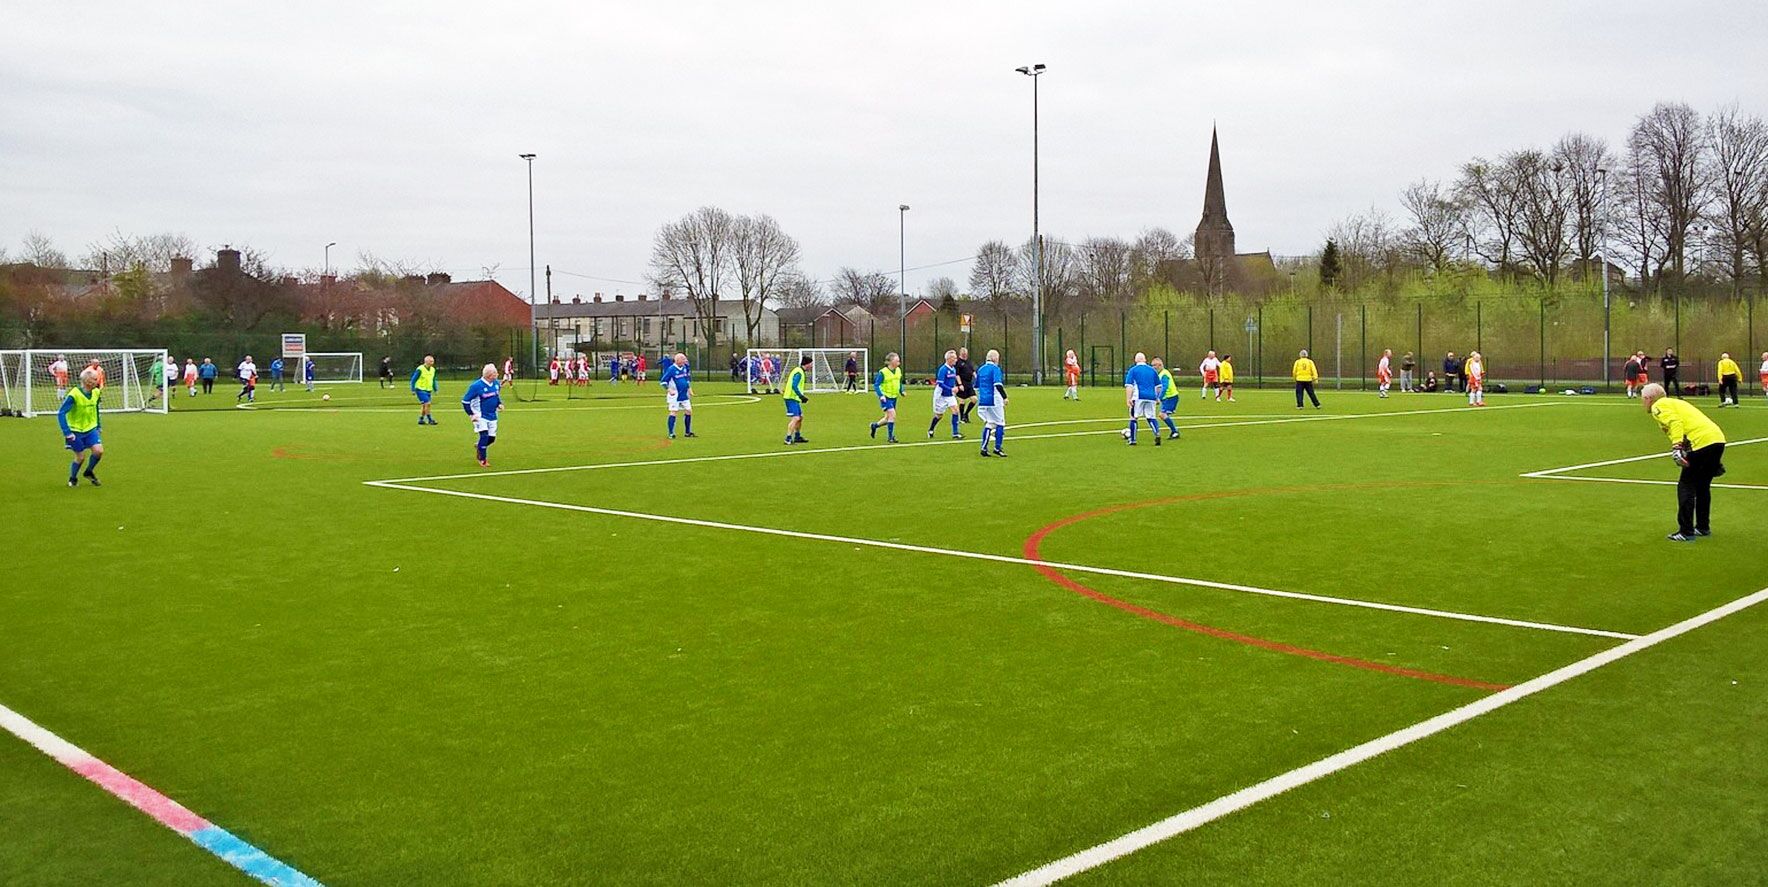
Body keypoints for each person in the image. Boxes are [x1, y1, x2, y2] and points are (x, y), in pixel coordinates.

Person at [1642, 383, 1725, 541]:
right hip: (1717, 439)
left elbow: (1675, 423)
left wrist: (1677, 447)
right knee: (1702, 486)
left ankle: (1686, 531)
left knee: (1686, 485)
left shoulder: (1658, 406)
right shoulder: (1676, 403)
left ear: (1649, 398)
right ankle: (1702, 526)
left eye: (1643, 399)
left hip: (1700, 442)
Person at [58, 367, 105, 488]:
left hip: (91, 429)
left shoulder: (96, 392)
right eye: (95, 379)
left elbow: (95, 408)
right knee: (80, 457)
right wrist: (67, 432)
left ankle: (88, 472)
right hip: (75, 431)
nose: (97, 381)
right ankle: (73, 478)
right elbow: (61, 413)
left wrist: (98, 425)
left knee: (99, 451)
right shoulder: (74, 394)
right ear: (88, 381)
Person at [461, 363, 503, 468]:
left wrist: (499, 404)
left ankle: (480, 446)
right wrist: (471, 414)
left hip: (492, 415)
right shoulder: (476, 386)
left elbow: (496, 395)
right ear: (489, 375)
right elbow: (465, 401)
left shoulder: (496, 384)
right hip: (480, 415)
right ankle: (482, 459)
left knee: (491, 438)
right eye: (495, 373)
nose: (497, 374)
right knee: (484, 436)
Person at [1124, 352, 1163, 446]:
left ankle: (1133, 440)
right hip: (1151, 397)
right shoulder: (1152, 370)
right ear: (1145, 360)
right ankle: (1157, 433)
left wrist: (1128, 399)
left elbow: (1129, 386)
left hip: (1138, 397)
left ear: (1135, 360)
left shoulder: (1133, 370)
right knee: (1151, 417)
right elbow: (1159, 386)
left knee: (1133, 417)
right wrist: (1157, 397)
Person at [975, 349, 1007, 457]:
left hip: (983, 400)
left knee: (990, 423)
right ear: (994, 358)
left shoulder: (981, 369)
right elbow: (998, 384)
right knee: (1000, 423)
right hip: (994, 399)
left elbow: (976, 386)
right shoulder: (995, 369)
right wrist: (1004, 397)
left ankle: (984, 447)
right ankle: (997, 448)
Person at [870, 352, 904, 443]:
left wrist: (901, 391)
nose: (899, 363)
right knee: (892, 415)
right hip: (886, 397)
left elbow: (899, 382)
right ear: (891, 362)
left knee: (887, 418)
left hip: (894, 397)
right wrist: (881, 395)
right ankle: (890, 437)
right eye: (897, 361)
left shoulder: (898, 370)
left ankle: (874, 426)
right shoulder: (883, 372)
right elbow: (876, 385)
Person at [929, 350, 963, 439]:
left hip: (950, 395)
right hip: (941, 395)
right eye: (954, 358)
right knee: (939, 415)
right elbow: (940, 384)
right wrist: (951, 389)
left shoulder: (953, 369)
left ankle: (955, 433)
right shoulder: (943, 369)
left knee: (956, 411)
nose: (956, 360)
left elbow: (951, 382)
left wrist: (955, 387)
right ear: (949, 359)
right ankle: (931, 429)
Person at [661, 352, 695, 439]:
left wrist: (689, 389)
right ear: (677, 360)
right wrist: (669, 390)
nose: (685, 360)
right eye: (683, 359)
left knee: (689, 411)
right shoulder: (671, 369)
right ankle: (671, 433)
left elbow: (686, 379)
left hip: (684, 394)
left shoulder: (684, 368)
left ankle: (687, 432)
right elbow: (663, 381)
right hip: (675, 395)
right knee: (674, 412)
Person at [782, 354, 811, 445]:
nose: (811, 366)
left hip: (794, 398)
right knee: (796, 418)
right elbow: (794, 385)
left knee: (800, 417)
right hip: (791, 397)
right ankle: (788, 438)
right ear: (807, 364)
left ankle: (797, 436)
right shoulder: (799, 372)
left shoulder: (799, 371)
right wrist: (801, 396)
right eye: (811, 364)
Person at [1153, 357, 1180, 440]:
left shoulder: (1164, 374)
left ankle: (1175, 431)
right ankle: (1174, 431)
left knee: (1162, 414)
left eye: (1154, 365)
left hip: (1170, 397)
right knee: (1164, 415)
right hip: (1167, 398)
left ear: (1160, 365)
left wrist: (1159, 398)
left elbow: (1164, 387)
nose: (1153, 368)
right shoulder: (1160, 374)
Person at [410, 355, 440, 425]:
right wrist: (413, 389)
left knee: (424, 405)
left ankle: (421, 419)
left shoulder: (433, 369)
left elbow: (433, 380)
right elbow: (413, 380)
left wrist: (435, 388)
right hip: (420, 389)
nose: (432, 363)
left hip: (428, 390)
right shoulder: (420, 369)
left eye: (433, 361)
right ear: (426, 361)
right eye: (431, 361)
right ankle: (430, 420)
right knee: (427, 403)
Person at [954, 347, 977, 423]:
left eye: (965, 353)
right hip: (961, 383)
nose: (964, 354)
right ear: (960, 353)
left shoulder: (969, 362)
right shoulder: (958, 362)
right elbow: (957, 374)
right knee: (962, 401)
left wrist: (976, 376)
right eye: (963, 353)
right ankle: (962, 418)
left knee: (974, 399)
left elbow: (972, 371)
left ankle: (966, 414)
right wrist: (960, 384)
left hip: (969, 384)